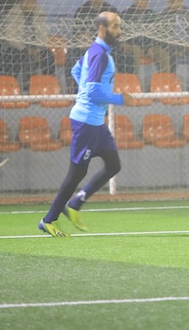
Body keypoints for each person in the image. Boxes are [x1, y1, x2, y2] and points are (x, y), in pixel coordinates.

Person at [38, 12, 142, 237]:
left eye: (119, 26)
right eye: (115, 26)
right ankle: (48, 220)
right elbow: (93, 91)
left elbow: (76, 71)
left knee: (113, 165)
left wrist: (86, 90)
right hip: (86, 122)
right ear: (102, 29)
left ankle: (75, 204)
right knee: (76, 174)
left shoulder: (96, 51)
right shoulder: (100, 54)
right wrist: (120, 99)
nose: (119, 31)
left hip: (96, 123)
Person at [0, 0, 55, 88]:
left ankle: (49, 86)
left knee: (47, 55)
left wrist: (38, 48)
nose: (30, 4)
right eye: (28, 2)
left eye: (32, 2)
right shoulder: (12, 14)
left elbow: (43, 34)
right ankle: (8, 85)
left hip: (36, 48)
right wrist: (25, 49)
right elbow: (11, 37)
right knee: (13, 54)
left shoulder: (40, 14)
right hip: (17, 47)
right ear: (21, 2)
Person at [66, 0, 119, 92]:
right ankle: (74, 89)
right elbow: (75, 32)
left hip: (106, 45)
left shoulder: (111, 11)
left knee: (122, 54)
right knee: (71, 55)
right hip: (85, 45)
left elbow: (116, 33)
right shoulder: (82, 10)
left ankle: (117, 87)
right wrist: (82, 37)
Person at [119, 0, 170, 74]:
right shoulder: (126, 14)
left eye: (142, 0)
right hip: (132, 45)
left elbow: (157, 33)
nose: (139, 2)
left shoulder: (152, 14)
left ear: (147, 2)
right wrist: (123, 44)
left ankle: (165, 78)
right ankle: (136, 78)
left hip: (149, 46)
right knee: (137, 51)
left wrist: (151, 47)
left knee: (164, 55)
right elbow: (120, 31)